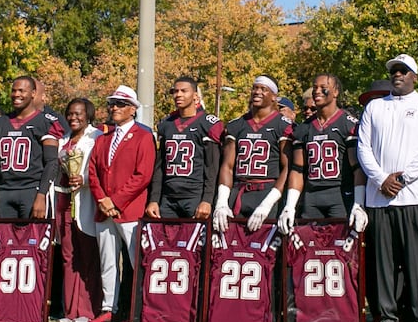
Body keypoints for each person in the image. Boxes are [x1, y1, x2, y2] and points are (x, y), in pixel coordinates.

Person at [357, 54, 418, 322]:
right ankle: (387, 319)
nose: (398, 75)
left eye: (404, 71)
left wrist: (403, 178)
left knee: (417, 261)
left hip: (416, 196)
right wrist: (381, 179)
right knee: (383, 261)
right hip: (380, 196)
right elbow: (363, 149)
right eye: (394, 70)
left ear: (415, 77)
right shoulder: (374, 107)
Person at [87, 86, 155, 322]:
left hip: (130, 210)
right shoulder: (103, 138)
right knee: (108, 262)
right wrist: (102, 200)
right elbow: (93, 171)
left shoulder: (144, 136)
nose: (114, 108)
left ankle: (139, 308)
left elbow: (143, 175)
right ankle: (109, 307)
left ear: (133, 110)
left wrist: (115, 201)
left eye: (120, 104)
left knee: (136, 261)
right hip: (104, 211)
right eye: (112, 104)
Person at [280, 74, 360, 230]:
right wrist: (290, 205)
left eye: (323, 88)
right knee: (308, 249)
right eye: (315, 87)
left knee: (341, 249)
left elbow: (357, 168)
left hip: (340, 194)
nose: (317, 91)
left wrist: (359, 203)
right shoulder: (304, 129)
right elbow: (297, 169)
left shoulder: (348, 124)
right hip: (312, 196)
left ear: (335, 92)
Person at [213, 77, 293, 233]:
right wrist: (222, 202)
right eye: (255, 88)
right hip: (238, 192)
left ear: (273, 97)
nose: (257, 92)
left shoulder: (283, 125)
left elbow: (287, 168)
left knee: (264, 248)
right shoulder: (236, 124)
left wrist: (268, 203)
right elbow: (227, 166)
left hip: (267, 190)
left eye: (264, 89)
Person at [0, 77, 62, 220]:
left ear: (33, 93)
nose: (16, 94)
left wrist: (41, 195)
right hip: (4, 190)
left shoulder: (45, 122)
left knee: (33, 240)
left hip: (31, 190)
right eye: (13, 91)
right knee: (3, 240)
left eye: (21, 91)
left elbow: (52, 163)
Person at [147, 76, 222, 221]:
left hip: (195, 195)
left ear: (195, 96)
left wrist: (207, 199)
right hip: (168, 197)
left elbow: (212, 168)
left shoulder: (208, 124)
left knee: (195, 242)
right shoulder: (166, 124)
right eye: (175, 91)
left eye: (183, 91)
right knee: (165, 241)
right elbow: (160, 167)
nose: (178, 95)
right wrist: (154, 199)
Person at [57, 96, 103, 322]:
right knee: (68, 256)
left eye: (78, 114)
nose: (73, 118)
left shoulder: (96, 137)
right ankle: (70, 310)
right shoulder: (63, 139)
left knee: (88, 255)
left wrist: (83, 179)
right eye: (70, 113)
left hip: (87, 200)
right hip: (65, 202)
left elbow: (101, 169)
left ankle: (87, 309)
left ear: (88, 115)